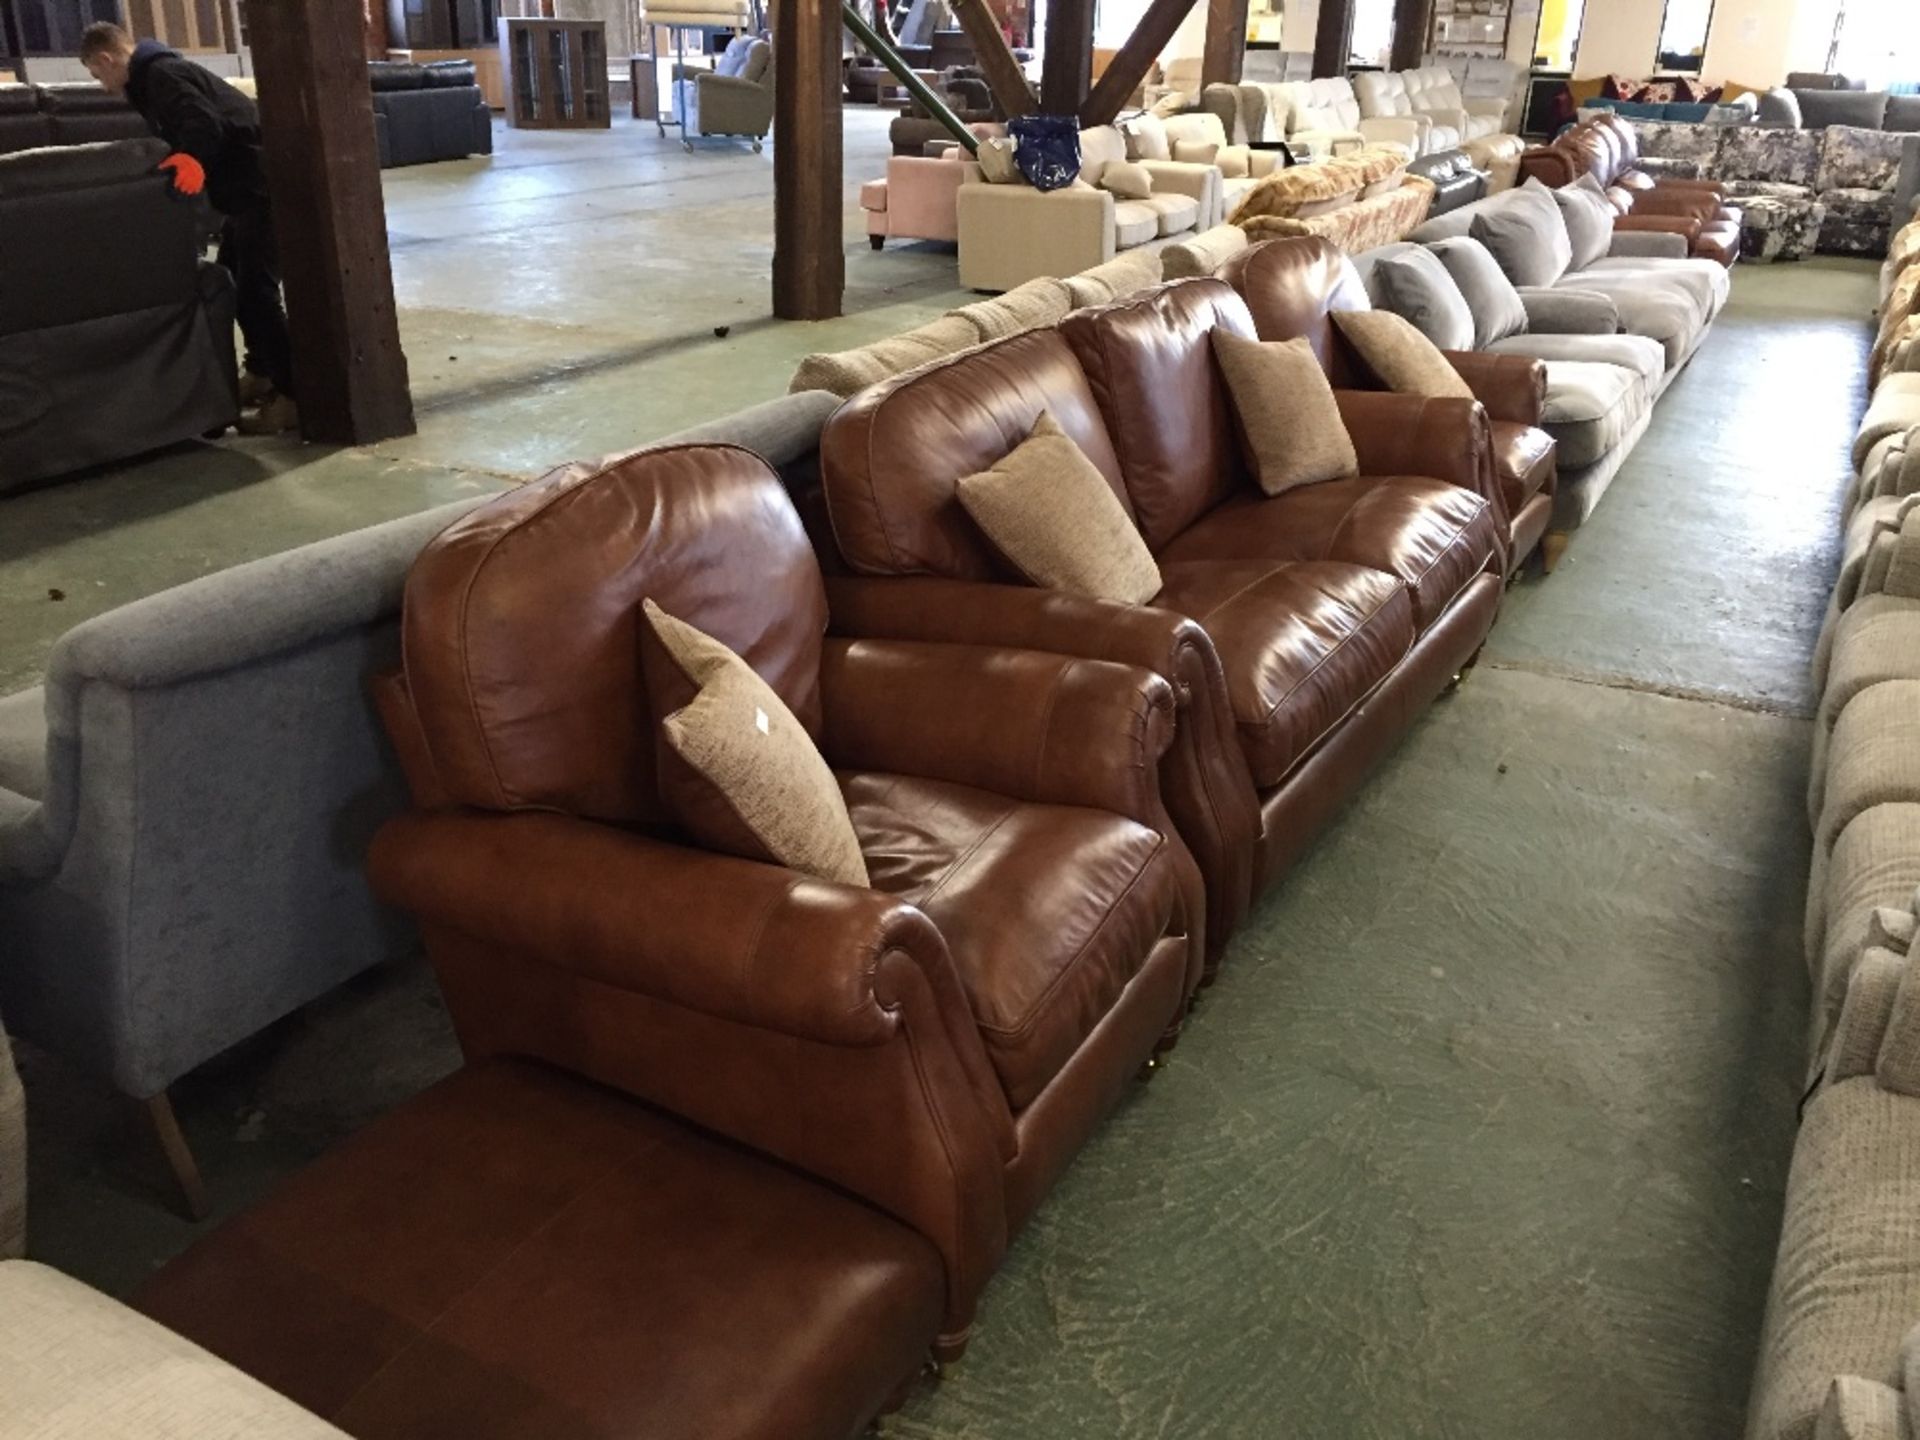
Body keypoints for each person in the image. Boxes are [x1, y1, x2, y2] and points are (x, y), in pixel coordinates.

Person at [79, 23, 297, 434]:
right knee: (233, 280)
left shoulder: (160, 75)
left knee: (256, 293)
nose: (102, 86)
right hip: (242, 194)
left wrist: (193, 158)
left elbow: (203, 122)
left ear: (107, 59)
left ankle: (294, 395)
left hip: (260, 191)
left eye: (96, 74)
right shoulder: (152, 77)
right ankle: (263, 371)